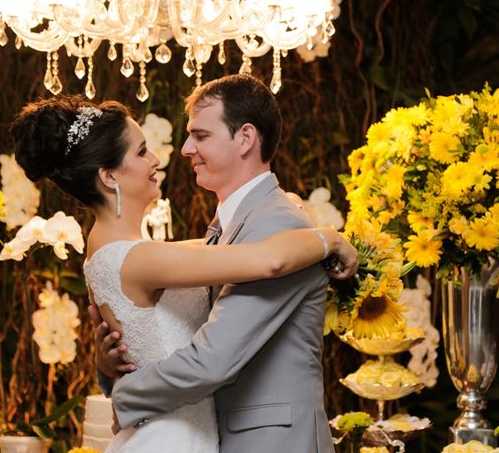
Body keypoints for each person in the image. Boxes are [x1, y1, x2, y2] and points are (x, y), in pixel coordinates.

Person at [11, 93, 358, 453]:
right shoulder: (139, 258)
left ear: (246, 138)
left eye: (201, 135)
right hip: (172, 438)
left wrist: (114, 377)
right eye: (142, 151)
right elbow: (268, 260)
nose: (164, 156)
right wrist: (329, 238)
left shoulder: (127, 250)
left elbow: (219, 257)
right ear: (109, 175)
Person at [94, 74, 345, 453]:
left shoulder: (276, 223)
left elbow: (214, 359)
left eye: (201, 135)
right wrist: (111, 365)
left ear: (245, 138)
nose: (184, 148)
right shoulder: (224, 229)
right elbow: (177, 334)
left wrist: (126, 395)